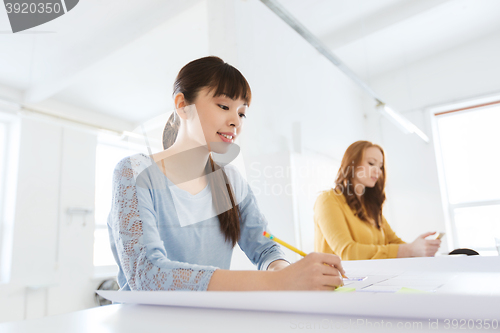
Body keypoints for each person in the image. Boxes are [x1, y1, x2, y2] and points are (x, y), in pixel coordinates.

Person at [108, 56, 345, 291]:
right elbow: (147, 274)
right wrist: (278, 282)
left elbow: (265, 248)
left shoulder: (231, 181)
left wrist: (290, 273)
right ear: (182, 105)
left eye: (242, 113)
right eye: (224, 106)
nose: (235, 122)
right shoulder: (135, 172)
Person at [314, 140, 441, 260]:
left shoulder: (370, 207)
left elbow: (394, 242)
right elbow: (347, 252)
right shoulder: (328, 200)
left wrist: (420, 249)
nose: (378, 171)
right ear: (351, 164)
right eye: (371, 163)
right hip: (337, 281)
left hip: (371, 278)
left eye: (380, 166)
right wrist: (409, 250)